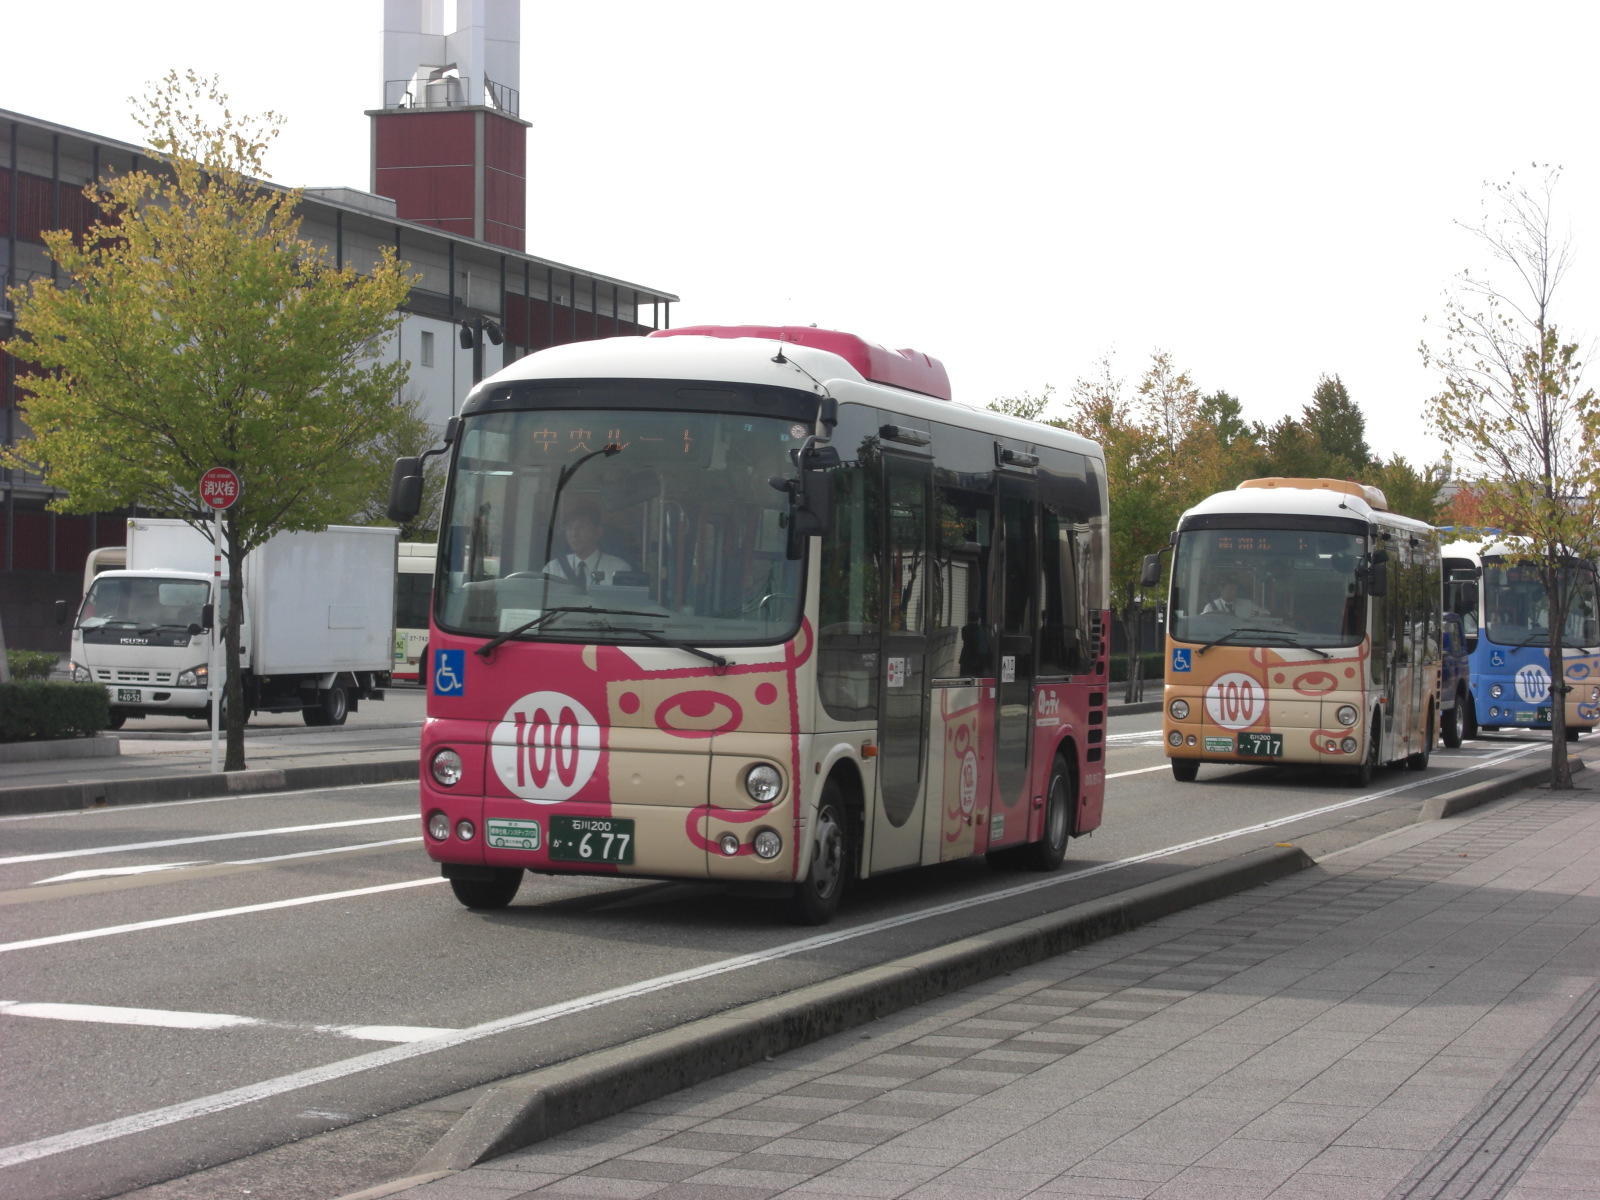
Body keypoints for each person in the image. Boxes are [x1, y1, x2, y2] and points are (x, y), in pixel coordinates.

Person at [545, 501, 631, 585]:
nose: (574, 534)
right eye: (569, 528)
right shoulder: (552, 569)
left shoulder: (619, 569)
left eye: (581, 527)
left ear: (598, 532)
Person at [1202, 577, 1266, 617]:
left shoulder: (1247, 604)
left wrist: (1258, 616)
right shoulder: (1210, 607)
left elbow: (1265, 614)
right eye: (1230, 589)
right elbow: (1204, 624)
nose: (1234, 592)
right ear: (1221, 589)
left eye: (1235, 590)